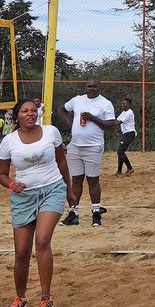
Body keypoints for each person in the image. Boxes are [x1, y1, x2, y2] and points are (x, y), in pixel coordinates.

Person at [0, 99, 76, 307]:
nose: (30, 114)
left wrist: (69, 190)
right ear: (17, 116)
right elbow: (1, 175)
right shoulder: (9, 142)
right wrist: (12, 184)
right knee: (21, 252)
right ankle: (20, 298)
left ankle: (46, 298)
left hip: (52, 189)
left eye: (33, 110)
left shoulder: (51, 132)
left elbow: (62, 162)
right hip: (23, 196)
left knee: (42, 240)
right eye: (25, 111)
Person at [56, 78, 117, 227]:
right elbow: (61, 109)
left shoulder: (105, 103)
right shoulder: (77, 100)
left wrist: (92, 118)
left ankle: (96, 213)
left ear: (99, 87)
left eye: (94, 86)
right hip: (75, 146)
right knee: (75, 180)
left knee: (92, 180)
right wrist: (71, 125)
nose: (91, 89)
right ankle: (73, 213)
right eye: (89, 86)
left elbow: (111, 126)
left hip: (93, 146)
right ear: (85, 87)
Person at [116, 98, 136, 176]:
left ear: (129, 105)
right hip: (126, 134)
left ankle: (129, 168)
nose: (122, 105)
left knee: (120, 152)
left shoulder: (129, 113)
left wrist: (105, 125)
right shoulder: (124, 112)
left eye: (124, 103)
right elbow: (116, 121)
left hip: (130, 134)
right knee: (120, 152)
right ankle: (119, 171)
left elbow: (118, 122)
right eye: (122, 103)